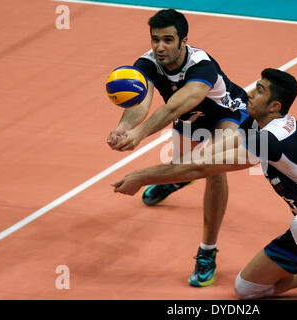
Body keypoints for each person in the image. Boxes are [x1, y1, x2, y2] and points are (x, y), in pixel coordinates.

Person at [111, 68, 297, 300]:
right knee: (247, 289)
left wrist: (141, 176)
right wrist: (170, 166)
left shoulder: (272, 141)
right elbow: (204, 155)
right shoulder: (255, 124)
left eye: (259, 90)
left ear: (275, 106)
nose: (249, 92)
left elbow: (202, 167)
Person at [106, 9, 249, 287]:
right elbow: (139, 103)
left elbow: (175, 106)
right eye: (155, 39)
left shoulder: (201, 66)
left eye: (168, 40)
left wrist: (140, 135)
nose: (160, 47)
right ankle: (179, 179)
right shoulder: (145, 64)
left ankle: (207, 251)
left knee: (211, 169)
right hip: (190, 120)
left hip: (228, 116)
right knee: (186, 166)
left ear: (183, 41)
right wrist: (124, 127)